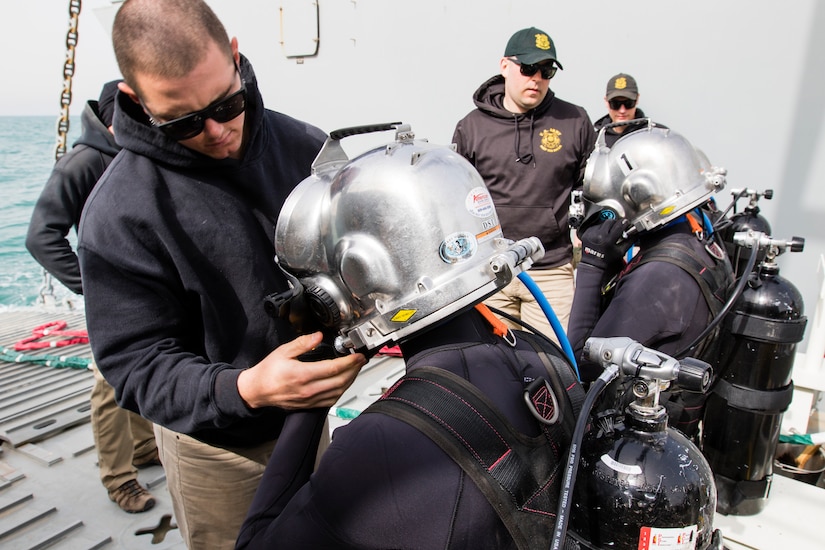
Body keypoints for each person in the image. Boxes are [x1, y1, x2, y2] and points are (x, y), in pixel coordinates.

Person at [76, 0, 366, 547]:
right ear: (136, 101)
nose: (216, 131)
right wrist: (246, 387)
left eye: (228, 104)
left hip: (311, 416)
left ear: (235, 57)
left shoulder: (307, 147)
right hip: (217, 447)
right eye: (183, 121)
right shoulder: (119, 212)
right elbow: (135, 365)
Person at [236, 130, 584, 549]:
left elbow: (257, 542)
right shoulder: (544, 355)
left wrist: (306, 403)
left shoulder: (381, 444)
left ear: (354, 277)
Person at [25, 80, 159, 514]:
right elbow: (41, 237)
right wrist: (89, 287)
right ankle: (120, 480)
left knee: (143, 374)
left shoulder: (135, 153)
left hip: (147, 293)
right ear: (112, 120)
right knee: (110, 386)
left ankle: (142, 449)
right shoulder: (82, 163)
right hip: (111, 299)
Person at [567, 125, 732, 438]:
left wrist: (592, 263)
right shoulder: (699, 243)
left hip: (635, 438)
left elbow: (582, 362)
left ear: (639, 192)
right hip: (676, 426)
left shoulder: (658, 279)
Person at [452, 27, 597, 344]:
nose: (537, 78)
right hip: (490, 273)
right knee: (491, 368)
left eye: (546, 71)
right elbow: (455, 204)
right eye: (528, 68)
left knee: (554, 371)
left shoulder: (575, 122)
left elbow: (595, 192)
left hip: (551, 271)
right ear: (505, 66)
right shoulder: (471, 128)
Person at [593, 73, 650, 147]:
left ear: (637, 99)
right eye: (615, 104)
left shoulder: (655, 135)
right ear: (606, 102)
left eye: (628, 103)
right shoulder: (595, 142)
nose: (622, 110)